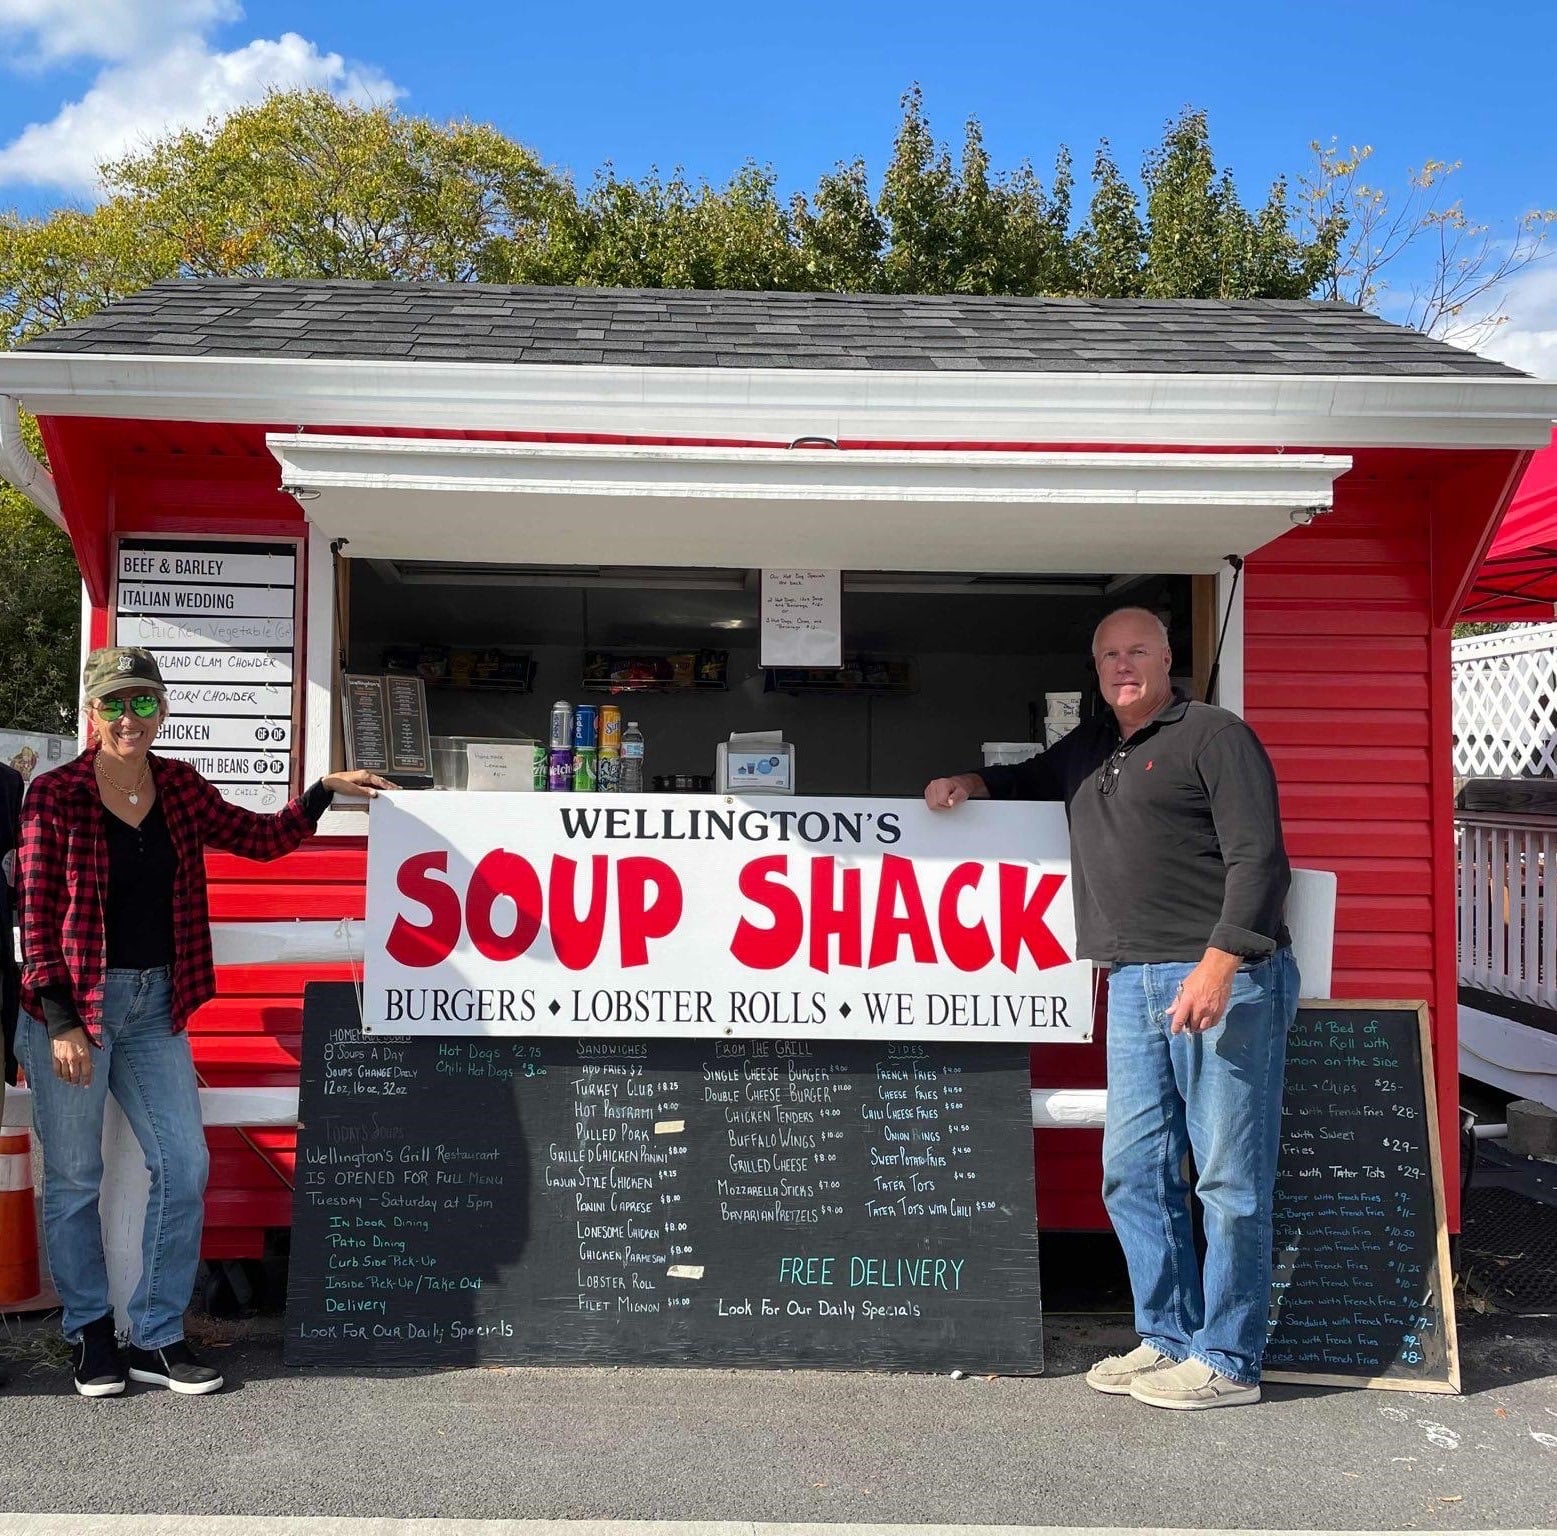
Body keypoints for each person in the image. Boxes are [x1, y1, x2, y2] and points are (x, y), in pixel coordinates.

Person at [925, 606, 1296, 1410]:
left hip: (1219, 976)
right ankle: (1166, 1339)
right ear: (1094, 667)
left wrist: (1219, 963)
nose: (1122, 665)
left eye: (1136, 651)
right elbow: (1024, 781)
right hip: (1129, 981)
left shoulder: (1213, 734)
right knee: (1134, 1172)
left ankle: (1229, 1361)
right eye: (1108, 655)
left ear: (1167, 658)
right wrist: (967, 785)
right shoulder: (1090, 747)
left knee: (1228, 1179)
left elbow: (1260, 859)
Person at [17, 647, 393, 1397]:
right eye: (116, 704)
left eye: (145, 703)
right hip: (75, 1012)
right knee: (74, 1179)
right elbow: (34, 909)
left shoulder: (180, 786)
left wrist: (321, 791)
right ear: (94, 712)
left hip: (158, 1004)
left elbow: (260, 841)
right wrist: (59, 1020)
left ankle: (155, 1337)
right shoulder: (53, 795)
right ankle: (91, 1334)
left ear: (162, 710)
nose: (131, 718)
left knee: (183, 1167)